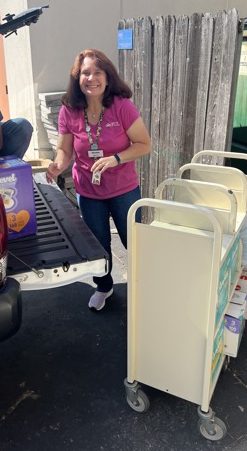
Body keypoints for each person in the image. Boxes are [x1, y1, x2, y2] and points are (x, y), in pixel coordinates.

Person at [46, 49, 151, 311]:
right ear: (77, 78)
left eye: (97, 72)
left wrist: (116, 158)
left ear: (107, 77)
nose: (91, 78)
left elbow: (144, 144)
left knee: (133, 242)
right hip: (88, 191)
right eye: (85, 73)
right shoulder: (69, 111)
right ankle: (104, 287)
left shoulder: (122, 107)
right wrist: (57, 165)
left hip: (123, 189)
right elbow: (65, 150)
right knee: (99, 244)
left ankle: (144, 285)